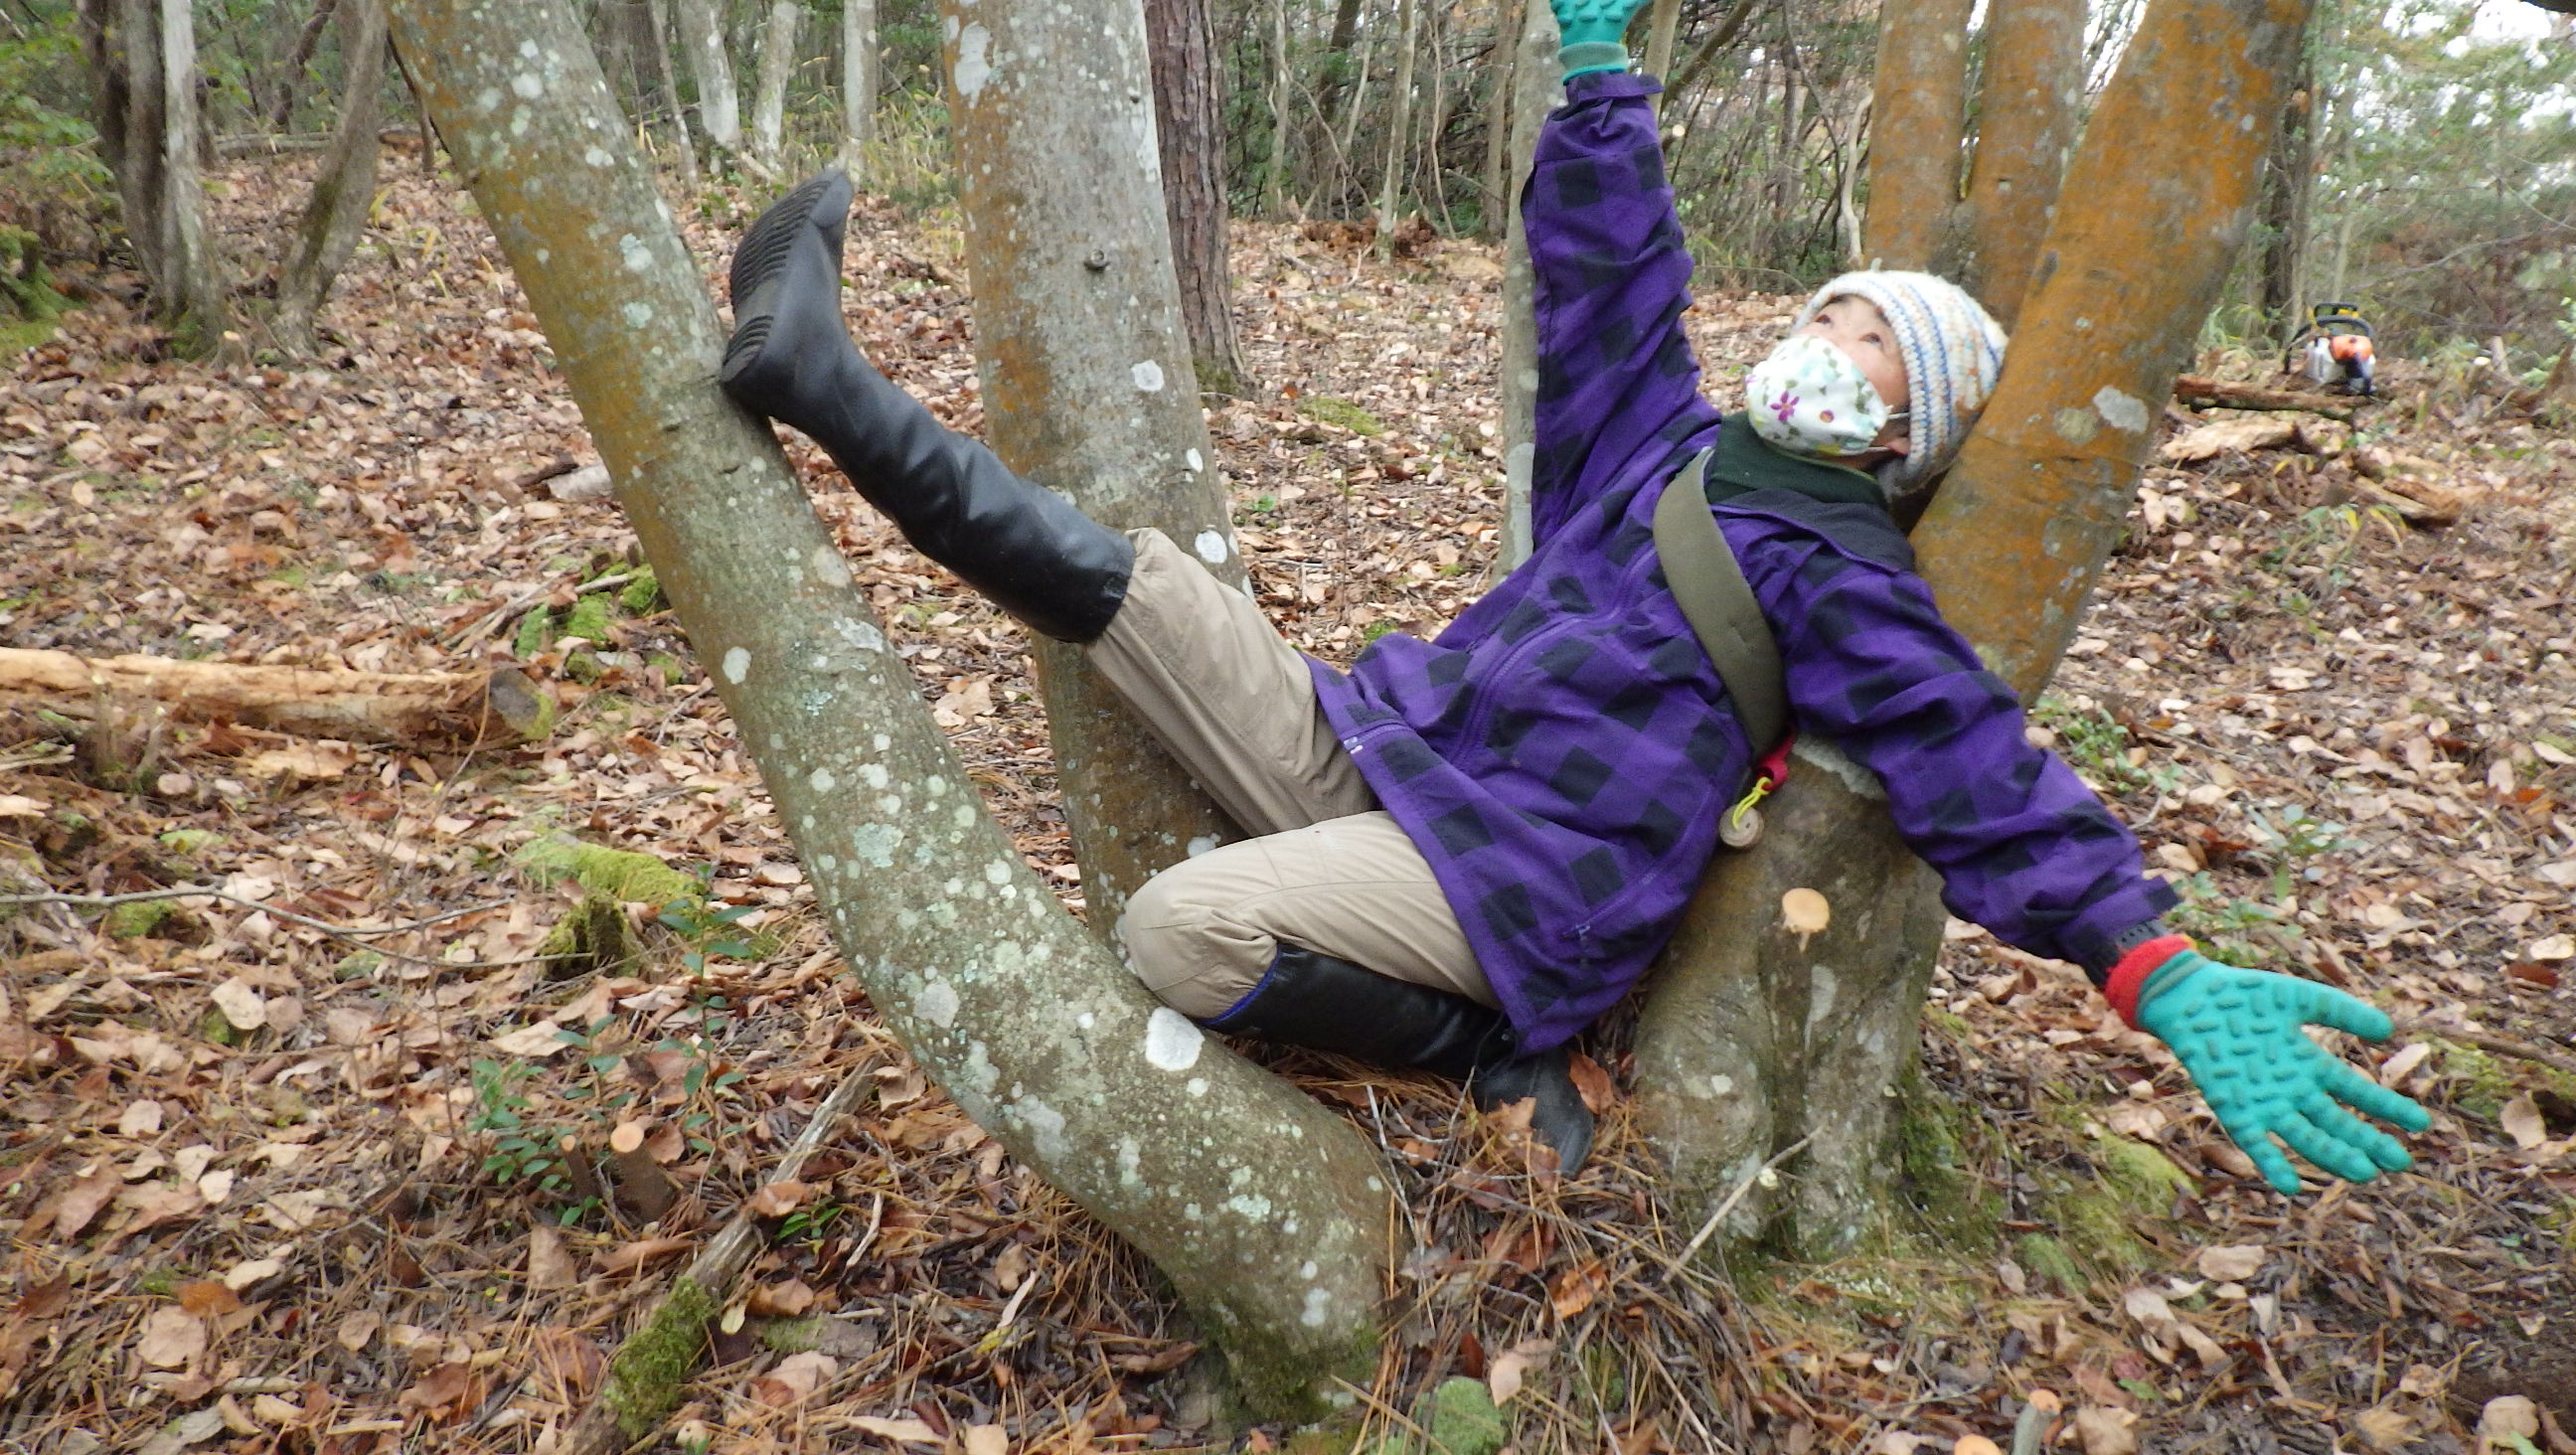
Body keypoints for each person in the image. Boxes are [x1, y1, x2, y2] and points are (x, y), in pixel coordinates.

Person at [712, 2, 2431, 1191]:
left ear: (1909, 438)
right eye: (1833, 318)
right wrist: (1603, 74)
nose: (1831, 354)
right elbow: (1610, 280)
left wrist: (2148, 959)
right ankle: (817, 376)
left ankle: (1489, 1065)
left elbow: (1976, 769)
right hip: (1394, 745)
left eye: (1878, 360)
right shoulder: (1662, 447)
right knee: (1131, 581)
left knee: (1183, 929)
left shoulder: (1843, 574)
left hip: (1516, 883)